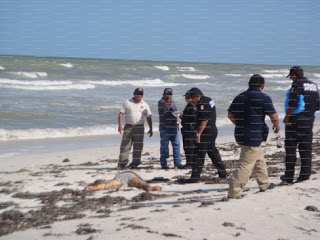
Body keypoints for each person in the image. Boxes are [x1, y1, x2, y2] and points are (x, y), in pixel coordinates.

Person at [227, 74, 280, 199]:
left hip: (240, 132)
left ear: (249, 84)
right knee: (245, 164)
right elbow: (274, 117)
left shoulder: (240, 96)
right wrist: (276, 126)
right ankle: (234, 192)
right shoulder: (264, 97)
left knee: (258, 157)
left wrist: (239, 124)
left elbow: (230, 114)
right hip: (254, 134)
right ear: (262, 86)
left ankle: (264, 183)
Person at [178, 87, 227, 183]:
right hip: (212, 129)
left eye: (192, 98)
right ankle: (223, 173)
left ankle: (194, 177)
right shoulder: (208, 100)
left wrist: (199, 134)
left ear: (198, 96)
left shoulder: (203, 104)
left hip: (206, 131)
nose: (191, 100)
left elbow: (204, 120)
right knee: (213, 152)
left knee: (198, 154)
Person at [281, 66, 320, 184]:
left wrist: (287, 117)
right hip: (309, 121)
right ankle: (304, 175)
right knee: (306, 149)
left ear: (295, 75)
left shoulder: (296, 85)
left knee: (291, 148)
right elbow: (318, 105)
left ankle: (288, 176)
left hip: (295, 120)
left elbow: (293, 103)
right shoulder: (314, 85)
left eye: (291, 76)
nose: (291, 79)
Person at [118, 88, 153, 169]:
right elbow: (121, 114)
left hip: (140, 128)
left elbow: (149, 117)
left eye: (140, 95)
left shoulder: (145, 104)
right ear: (134, 94)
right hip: (128, 127)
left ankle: (135, 164)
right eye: (137, 94)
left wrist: (151, 129)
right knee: (125, 146)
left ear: (142, 96)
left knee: (138, 146)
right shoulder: (127, 102)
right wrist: (120, 125)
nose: (139, 96)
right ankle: (122, 164)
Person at [158, 88, 183, 169]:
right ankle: (163, 164)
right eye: (167, 94)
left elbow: (175, 113)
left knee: (176, 145)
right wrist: (169, 102)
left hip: (173, 127)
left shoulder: (173, 102)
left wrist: (177, 123)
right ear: (163, 94)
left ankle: (178, 163)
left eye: (170, 94)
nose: (169, 96)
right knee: (164, 147)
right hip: (165, 128)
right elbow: (164, 105)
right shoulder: (161, 102)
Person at [84, 171, 162, 192]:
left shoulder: (119, 175)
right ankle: (150, 188)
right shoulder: (134, 174)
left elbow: (103, 181)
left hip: (119, 178)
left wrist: (90, 184)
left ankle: (91, 189)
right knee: (140, 183)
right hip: (131, 176)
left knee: (108, 184)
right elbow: (142, 180)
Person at [180, 90, 197, 169]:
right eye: (185, 97)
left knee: (190, 147)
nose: (186, 98)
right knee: (187, 147)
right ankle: (189, 162)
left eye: (187, 97)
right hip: (186, 129)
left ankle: (190, 163)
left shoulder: (193, 105)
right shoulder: (189, 105)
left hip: (190, 130)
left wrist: (184, 116)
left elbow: (193, 117)